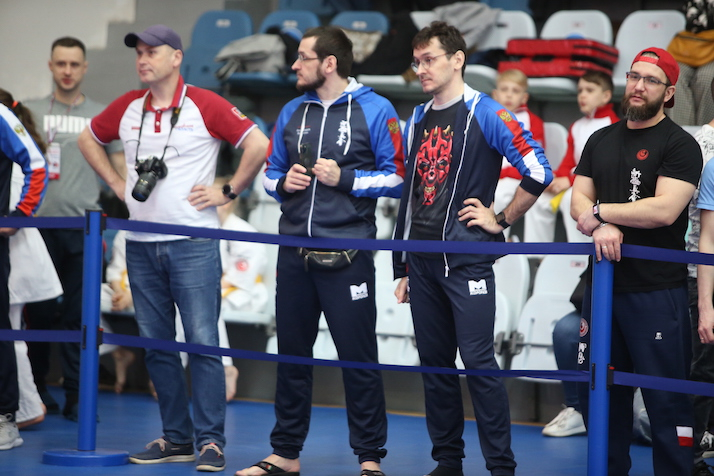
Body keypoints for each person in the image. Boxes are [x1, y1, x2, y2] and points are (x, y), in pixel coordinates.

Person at [78, 24, 269, 472]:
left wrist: (229, 190)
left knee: (203, 343)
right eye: (139, 53)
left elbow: (258, 143)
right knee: (157, 346)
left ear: (176, 57)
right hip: (141, 244)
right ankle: (178, 438)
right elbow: (87, 138)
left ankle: (211, 442)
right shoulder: (129, 106)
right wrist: (117, 183)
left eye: (152, 51)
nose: (143, 59)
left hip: (193, 243)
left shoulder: (204, 103)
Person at [234, 25, 404, 476]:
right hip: (293, 253)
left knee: (358, 359)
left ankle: (370, 459)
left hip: (348, 255)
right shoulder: (292, 109)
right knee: (291, 356)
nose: (294, 65)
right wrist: (282, 183)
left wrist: (344, 179)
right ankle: (285, 453)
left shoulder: (377, 109)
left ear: (329, 63)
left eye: (303, 57)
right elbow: (269, 174)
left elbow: (397, 177)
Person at [393, 21, 552, 476]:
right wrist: (400, 265)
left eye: (429, 60)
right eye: (416, 61)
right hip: (421, 264)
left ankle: (501, 467)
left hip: (466, 263)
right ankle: (448, 462)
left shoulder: (488, 112)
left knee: (479, 364)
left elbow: (538, 170)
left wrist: (500, 219)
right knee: (435, 367)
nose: (421, 69)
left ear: (457, 59)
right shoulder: (417, 117)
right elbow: (409, 196)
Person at [571, 47, 701, 475]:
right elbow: (577, 199)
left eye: (650, 80)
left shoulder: (680, 145)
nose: (639, 86)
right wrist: (600, 224)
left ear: (669, 93)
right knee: (601, 397)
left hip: (656, 291)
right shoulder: (600, 139)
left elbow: (664, 209)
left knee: (667, 402)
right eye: (633, 76)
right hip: (603, 287)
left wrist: (601, 213)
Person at [23, 36, 124, 421]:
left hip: (85, 227)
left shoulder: (101, 114)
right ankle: (35, 395)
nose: (67, 71)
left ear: (84, 68)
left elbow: (119, 168)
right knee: (38, 313)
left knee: (79, 316)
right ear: (51, 66)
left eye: (74, 64)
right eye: (61, 64)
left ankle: (78, 396)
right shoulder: (29, 111)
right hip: (37, 227)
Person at [0, 90, 62, 430]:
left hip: (16, 256)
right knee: (12, 334)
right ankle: (25, 405)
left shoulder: (13, 156)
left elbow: (34, 174)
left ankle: (25, 407)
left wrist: (20, 214)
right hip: (16, 255)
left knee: (9, 335)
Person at [528, 70, 619, 245]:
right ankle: (538, 255)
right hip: (575, 181)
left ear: (606, 96)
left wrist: (569, 181)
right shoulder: (576, 126)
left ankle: (580, 254)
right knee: (537, 197)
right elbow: (569, 161)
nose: (582, 95)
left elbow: (603, 169)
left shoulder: (613, 126)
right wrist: (556, 178)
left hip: (597, 186)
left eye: (589, 90)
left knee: (571, 198)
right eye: (580, 91)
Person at [690, 81, 714, 475]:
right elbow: (706, 237)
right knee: (703, 368)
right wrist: (705, 304)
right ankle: (692, 453)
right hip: (703, 277)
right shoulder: (706, 158)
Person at [491, 68, 546, 241]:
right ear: (495, 94)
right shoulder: (488, 118)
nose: (509, 95)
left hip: (520, 178)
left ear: (524, 97)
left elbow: (537, 160)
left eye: (515, 91)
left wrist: (504, 174)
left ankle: (499, 243)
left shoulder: (533, 122)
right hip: (494, 178)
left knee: (499, 195)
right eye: (504, 89)